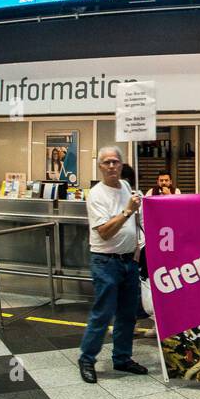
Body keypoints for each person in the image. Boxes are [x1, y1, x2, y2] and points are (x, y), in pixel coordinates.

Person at [78, 146, 148, 383]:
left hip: (128, 261)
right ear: (100, 166)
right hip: (106, 262)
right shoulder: (96, 195)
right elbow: (106, 232)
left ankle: (122, 358)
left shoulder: (126, 186)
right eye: (106, 162)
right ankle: (87, 359)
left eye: (115, 162)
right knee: (103, 314)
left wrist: (137, 247)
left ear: (121, 164)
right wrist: (128, 211)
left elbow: (134, 223)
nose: (111, 166)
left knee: (128, 315)